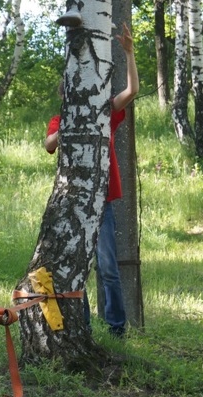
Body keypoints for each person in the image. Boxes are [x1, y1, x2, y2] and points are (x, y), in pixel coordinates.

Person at [45, 23, 138, 338]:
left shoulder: (104, 113)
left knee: (108, 269)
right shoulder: (60, 120)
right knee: (77, 270)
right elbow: (49, 144)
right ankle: (82, 328)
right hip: (74, 202)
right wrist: (72, 119)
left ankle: (116, 329)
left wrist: (129, 53)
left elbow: (132, 92)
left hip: (104, 203)